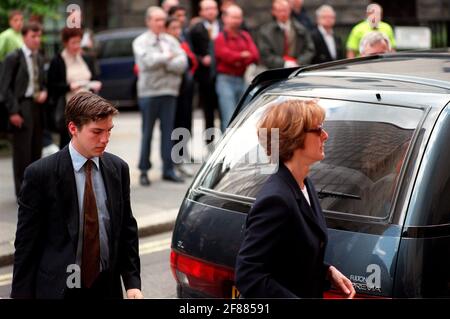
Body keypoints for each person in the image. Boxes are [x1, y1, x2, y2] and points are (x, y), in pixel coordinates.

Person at [11, 92, 143, 299]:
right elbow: (26, 244)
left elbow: (126, 229)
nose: (105, 139)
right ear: (73, 128)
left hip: (106, 286)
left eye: (109, 131)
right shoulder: (40, 174)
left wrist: (132, 282)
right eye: (97, 132)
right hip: (59, 289)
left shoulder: (118, 169)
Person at [235, 99, 356, 298]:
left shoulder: (304, 184)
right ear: (295, 137)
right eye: (318, 130)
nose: (325, 136)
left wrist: (327, 272)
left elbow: (291, 257)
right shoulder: (276, 200)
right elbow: (249, 275)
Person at [133, 6, 187, 186]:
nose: (160, 23)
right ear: (148, 21)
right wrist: (168, 58)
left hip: (169, 91)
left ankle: (168, 169)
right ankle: (143, 169)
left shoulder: (170, 40)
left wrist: (164, 61)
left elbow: (183, 63)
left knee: (168, 132)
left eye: (162, 20)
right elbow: (147, 62)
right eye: (156, 20)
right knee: (147, 133)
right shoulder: (140, 42)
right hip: (149, 92)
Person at [0, 22, 47, 197]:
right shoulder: (14, 57)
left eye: (39, 36)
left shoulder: (39, 57)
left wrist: (44, 91)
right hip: (21, 106)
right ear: (24, 37)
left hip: (37, 106)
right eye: (33, 36)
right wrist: (13, 111)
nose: (37, 40)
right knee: (22, 152)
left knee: (36, 149)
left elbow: (41, 81)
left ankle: (34, 189)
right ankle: (22, 191)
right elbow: (4, 88)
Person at [47, 27, 101, 149]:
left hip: (88, 108)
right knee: (68, 144)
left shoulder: (85, 58)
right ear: (65, 43)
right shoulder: (58, 61)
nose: (77, 46)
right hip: (68, 109)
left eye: (78, 42)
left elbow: (93, 76)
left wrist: (94, 84)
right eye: (73, 43)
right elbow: (52, 86)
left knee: (88, 142)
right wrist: (69, 86)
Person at [214, 5, 259, 132]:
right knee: (228, 118)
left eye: (238, 17)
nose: (236, 20)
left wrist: (237, 58)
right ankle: (226, 150)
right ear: (225, 18)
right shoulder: (220, 38)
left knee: (243, 117)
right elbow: (225, 56)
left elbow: (255, 55)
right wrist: (242, 55)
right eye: (233, 17)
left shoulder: (245, 35)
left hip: (242, 78)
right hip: (225, 80)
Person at [165, 16, 197, 177]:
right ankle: (173, 162)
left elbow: (191, 61)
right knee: (173, 126)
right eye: (173, 28)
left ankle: (181, 157)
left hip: (186, 90)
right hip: (172, 91)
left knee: (185, 124)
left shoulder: (182, 43)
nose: (176, 32)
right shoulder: (165, 45)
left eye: (178, 28)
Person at [190, 0, 222, 145]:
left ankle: (225, 146)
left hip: (223, 74)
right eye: (207, 9)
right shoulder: (195, 29)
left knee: (225, 112)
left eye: (213, 8)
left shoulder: (223, 26)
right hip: (205, 78)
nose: (211, 11)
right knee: (208, 113)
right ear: (201, 12)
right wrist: (201, 58)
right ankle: (210, 145)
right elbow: (189, 51)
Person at [258, 0, 315, 69]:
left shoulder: (301, 29)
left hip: (298, 68)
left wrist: (298, 62)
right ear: (273, 12)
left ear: (290, 10)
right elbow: (265, 54)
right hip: (274, 70)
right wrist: (284, 63)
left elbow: (309, 49)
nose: (283, 14)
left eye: (285, 10)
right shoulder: (266, 31)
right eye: (279, 11)